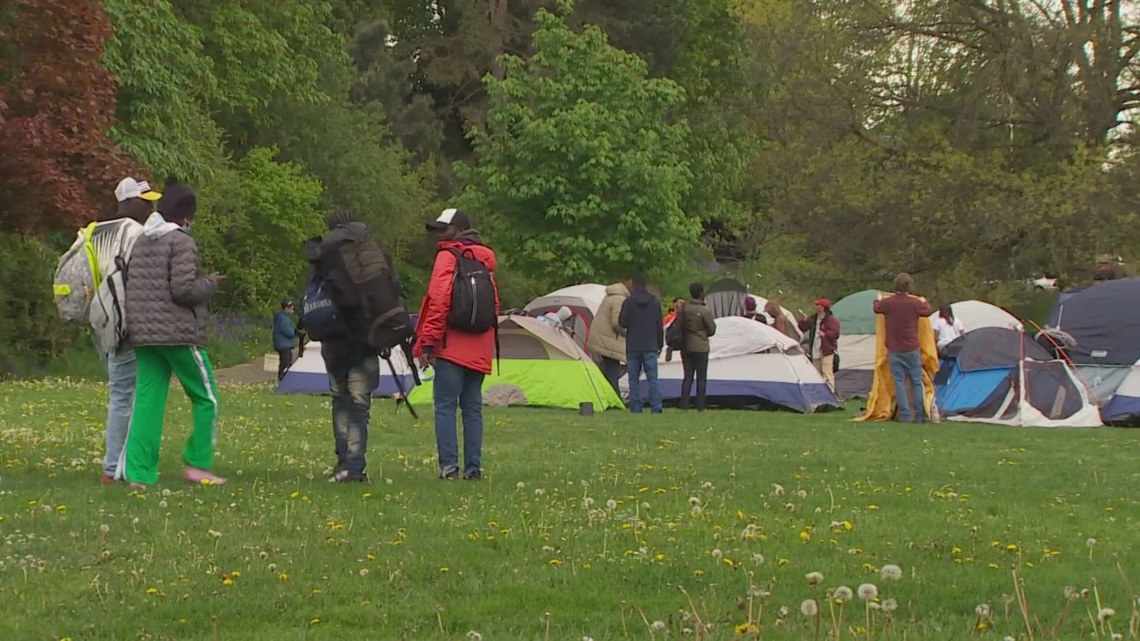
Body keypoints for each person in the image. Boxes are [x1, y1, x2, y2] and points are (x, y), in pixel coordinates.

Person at [122, 180, 227, 488]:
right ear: (185, 216)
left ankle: (139, 474)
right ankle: (198, 463)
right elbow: (183, 290)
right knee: (206, 398)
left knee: (148, 401)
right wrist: (211, 283)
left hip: (144, 335)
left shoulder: (142, 240)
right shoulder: (181, 242)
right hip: (178, 334)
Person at [414, 208, 499, 481]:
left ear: (459, 229)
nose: (439, 234)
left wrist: (428, 342)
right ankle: (473, 469)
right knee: (472, 408)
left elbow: (438, 302)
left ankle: (449, 467)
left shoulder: (447, 257)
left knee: (445, 407)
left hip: (451, 345)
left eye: (444, 229)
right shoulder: (486, 259)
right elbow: (494, 306)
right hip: (480, 345)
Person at [301, 211, 385, 482]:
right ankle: (355, 468)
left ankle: (343, 464)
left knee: (340, 401)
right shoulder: (367, 255)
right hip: (364, 341)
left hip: (332, 342)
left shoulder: (323, 256)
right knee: (360, 407)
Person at [93, 178, 160, 483]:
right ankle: (115, 468)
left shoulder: (97, 232)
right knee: (126, 397)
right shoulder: (136, 233)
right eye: (145, 201)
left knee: (121, 393)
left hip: (101, 321)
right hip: (128, 323)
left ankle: (117, 464)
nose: (151, 206)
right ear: (129, 203)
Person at [873, 273, 933, 422]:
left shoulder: (888, 303)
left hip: (894, 348)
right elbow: (927, 310)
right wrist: (923, 301)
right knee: (916, 381)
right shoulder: (914, 303)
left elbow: (876, 307)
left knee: (898, 382)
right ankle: (920, 415)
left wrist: (878, 299)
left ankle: (905, 415)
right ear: (909, 286)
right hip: (912, 348)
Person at [618, 274, 664, 413]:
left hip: (633, 345)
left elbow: (622, 322)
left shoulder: (628, 302)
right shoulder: (654, 302)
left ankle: (636, 407)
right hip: (650, 345)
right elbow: (659, 325)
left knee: (633, 379)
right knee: (653, 379)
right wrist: (659, 344)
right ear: (645, 284)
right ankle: (656, 406)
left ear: (633, 284)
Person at [679, 282, 717, 410]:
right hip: (701, 346)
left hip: (686, 345)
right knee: (701, 378)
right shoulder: (704, 310)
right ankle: (700, 405)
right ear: (701, 293)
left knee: (687, 377)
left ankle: (684, 404)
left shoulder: (684, 308)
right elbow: (712, 329)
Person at [587, 281, 630, 394]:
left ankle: (607, 394)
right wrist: (628, 333)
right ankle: (614, 396)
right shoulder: (619, 299)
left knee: (609, 368)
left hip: (602, 338)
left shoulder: (609, 297)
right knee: (613, 370)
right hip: (609, 340)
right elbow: (617, 323)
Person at [797, 299, 841, 393]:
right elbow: (803, 328)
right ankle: (818, 393)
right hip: (815, 350)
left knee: (827, 373)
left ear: (823, 307)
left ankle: (830, 394)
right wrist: (803, 321)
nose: (816, 306)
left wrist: (824, 334)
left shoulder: (831, 320)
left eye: (818, 305)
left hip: (827, 351)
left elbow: (836, 333)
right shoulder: (813, 318)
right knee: (816, 374)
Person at [272, 300, 298, 381]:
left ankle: (283, 379)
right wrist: (297, 332)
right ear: (286, 308)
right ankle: (284, 380)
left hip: (283, 344)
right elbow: (288, 332)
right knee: (286, 363)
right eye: (291, 308)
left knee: (284, 362)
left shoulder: (283, 317)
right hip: (284, 345)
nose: (292, 310)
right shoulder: (283, 318)